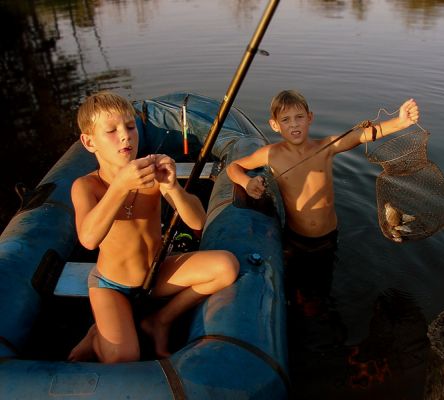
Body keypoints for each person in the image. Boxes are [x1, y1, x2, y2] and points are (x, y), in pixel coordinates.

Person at [68, 91, 239, 363]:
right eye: (111, 130)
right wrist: (121, 186)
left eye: (131, 126)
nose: (125, 135)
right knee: (125, 356)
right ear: (89, 142)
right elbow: (89, 238)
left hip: (156, 274)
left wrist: (172, 186)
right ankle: (96, 334)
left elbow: (198, 222)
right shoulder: (87, 186)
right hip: (112, 285)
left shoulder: (152, 173)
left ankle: (161, 320)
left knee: (226, 267)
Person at [226, 89, 419, 318]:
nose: (294, 125)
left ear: (310, 118)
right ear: (275, 125)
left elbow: (360, 135)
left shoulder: (325, 147)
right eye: (286, 120)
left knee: (321, 288)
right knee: (297, 289)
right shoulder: (271, 154)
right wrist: (247, 182)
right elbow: (233, 168)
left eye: (299, 117)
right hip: (295, 241)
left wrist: (399, 122)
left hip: (328, 240)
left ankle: (316, 309)